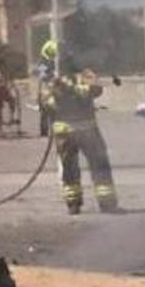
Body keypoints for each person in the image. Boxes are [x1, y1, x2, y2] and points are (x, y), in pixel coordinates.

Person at [42, 65, 118, 214]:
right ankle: (105, 202)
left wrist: (63, 92)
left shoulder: (53, 82)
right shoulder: (83, 77)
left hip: (65, 132)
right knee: (99, 165)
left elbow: (46, 105)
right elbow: (96, 90)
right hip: (86, 130)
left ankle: (74, 203)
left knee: (70, 169)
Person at [35, 39, 59, 137]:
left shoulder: (57, 61)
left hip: (57, 84)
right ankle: (44, 130)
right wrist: (50, 75)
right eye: (51, 52)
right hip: (46, 85)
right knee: (45, 108)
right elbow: (41, 75)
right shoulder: (42, 62)